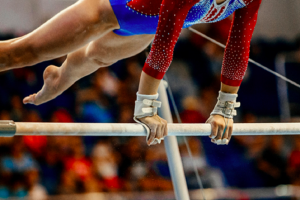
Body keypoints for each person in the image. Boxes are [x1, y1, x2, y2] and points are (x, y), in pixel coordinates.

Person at [0, 0, 262, 145]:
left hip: (143, 30)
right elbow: (163, 47)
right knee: (23, 53)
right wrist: (146, 108)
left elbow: (239, 44)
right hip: (105, 11)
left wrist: (224, 110)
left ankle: (58, 77)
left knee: (96, 57)